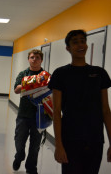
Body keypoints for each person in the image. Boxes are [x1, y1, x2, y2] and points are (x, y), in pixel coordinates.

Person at [48, 29, 111, 174]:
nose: (80, 45)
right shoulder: (60, 74)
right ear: (68, 48)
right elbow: (56, 112)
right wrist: (58, 145)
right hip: (70, 138)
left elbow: (106, 110)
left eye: (83, 41)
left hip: (95, 138)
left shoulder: (100, 74)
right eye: (75, 42)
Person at [13, 49, 45, 174]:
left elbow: (51, 91)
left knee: (35, 145)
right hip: (24, 115)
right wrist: (35, 83)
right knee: (19, 141)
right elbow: (16, 89)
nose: (34, 59)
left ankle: (31, 168)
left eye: (37, 57)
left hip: (40, 116)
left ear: (41, 60)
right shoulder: (23, 74)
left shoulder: (46, 75)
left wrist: (28, 85)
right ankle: (19, 156)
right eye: (32, 57)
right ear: (28, 59)